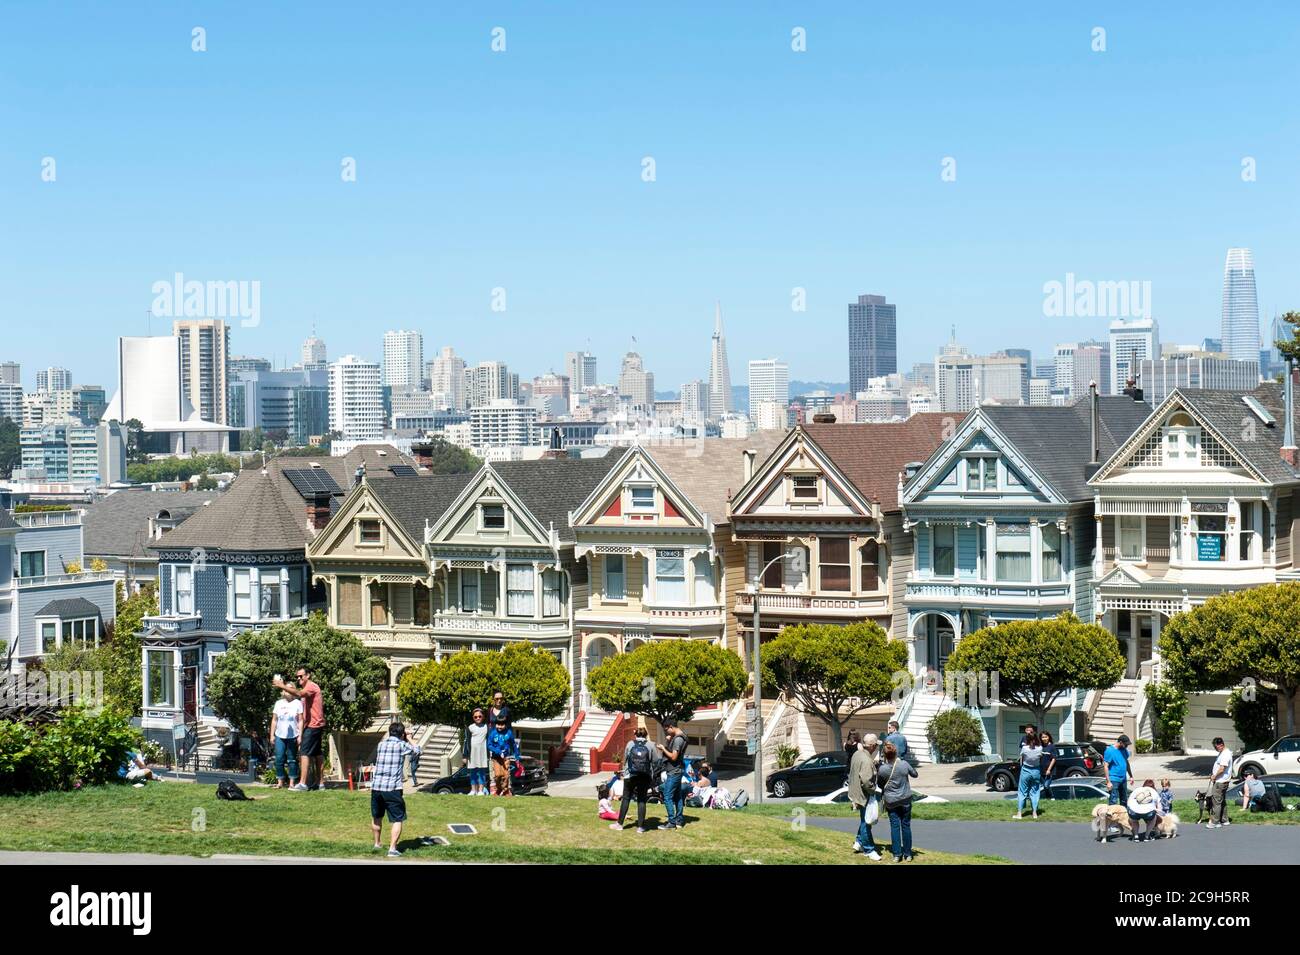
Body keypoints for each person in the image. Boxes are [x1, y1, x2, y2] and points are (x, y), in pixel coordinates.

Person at [370, 722, 419, 857]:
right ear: (401, 733)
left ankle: (377, 843)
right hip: (392, 788)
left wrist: (403, 735)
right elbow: (417, 750)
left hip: (376, 787)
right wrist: (408, 737)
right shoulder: (401, 745)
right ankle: (392, 849)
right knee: (397, 819)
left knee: (376, 817)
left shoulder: (381, 744)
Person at [273, 667, 326, 791]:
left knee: (304, 753)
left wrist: (282, 686)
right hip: (315, 725)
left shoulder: (311, 686)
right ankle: (321, 783)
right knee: (317, 754)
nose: (298, 678)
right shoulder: (306, 688)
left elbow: (299, 694)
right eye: (297, 676)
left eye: (301, 676)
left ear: (308, 675)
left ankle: (302, 784)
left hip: (313, 725)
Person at [878, 742, 918, 863]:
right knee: (906, 826)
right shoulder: (904, 764)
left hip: (891, 801)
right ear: (895, 753)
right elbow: (915, 774)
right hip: (905, 799)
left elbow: (880, 785)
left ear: (885, 755)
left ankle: (897, 855)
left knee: (895, 827)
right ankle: (908, 854)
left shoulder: (882, 769)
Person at [847, 732, 883, 861]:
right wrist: (874, 791)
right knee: (867, 822)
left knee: (864, 820)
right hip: (864, 795)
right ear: (872, 746)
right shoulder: (867, 760)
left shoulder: (857, 754)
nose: (877, 747)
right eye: (876, 745)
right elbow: (867, 782)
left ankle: (858, 842)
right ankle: (869, 849)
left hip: (855, 792)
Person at [611, 726, 654, 833]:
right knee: (641, 800)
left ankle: (620, 824)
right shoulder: (650, 745)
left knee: (626, 798)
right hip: (644, 776)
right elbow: (656, 760)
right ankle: (640, 827)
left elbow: (625, 760)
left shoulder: (630, 744)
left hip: (630, 776)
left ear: (636, 735)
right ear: (646, 735)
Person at [269, 685, 304, 789]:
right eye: (285, 688)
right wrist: (272, 735)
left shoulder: (298, 703)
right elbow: (274, 720)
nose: (287, 690)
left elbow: (301, 720)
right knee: (279, 759)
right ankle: (280, 782)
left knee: (292, 760)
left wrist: (300, 735)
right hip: (280, 736)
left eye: (289, 688)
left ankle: (292, 783)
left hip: (293, 736)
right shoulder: (278, 703)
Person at [657, 721, 689, 830]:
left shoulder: (678, 739)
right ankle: (679, 820)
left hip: (674, 771)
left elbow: (674, 757)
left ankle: (671, 822)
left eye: (666, 729)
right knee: (677, 796)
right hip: (678, 770)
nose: (666, 731)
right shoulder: (681, 737)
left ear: (671, 727)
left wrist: (663, 749)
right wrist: (670, 741)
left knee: (667, 796)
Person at [1014, 728, 1044, 819]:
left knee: (1022, 792)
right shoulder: (1040, 748)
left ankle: (1019, 814)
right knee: (1035, 792)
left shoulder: (1024, 748)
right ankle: (1034, 813)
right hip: (1036, 771)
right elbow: (1040, 759)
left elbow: (1021, 758)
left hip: (1026, 770)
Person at [486, 716, 520, 796]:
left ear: (506, 724)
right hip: (496, 758)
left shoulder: (509, 733)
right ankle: (498, 789)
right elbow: (489, 745)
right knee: (498, 775)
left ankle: (506, 790)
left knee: (506, 775)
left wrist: (517, 756)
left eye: (502, 724)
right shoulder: (493, 733)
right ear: (495, 724)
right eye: (498, 724)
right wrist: (498, 751)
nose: (500, 726)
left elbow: (513, 745)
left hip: (506, 757)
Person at [463, 707, 491, 796]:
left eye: (479, 716)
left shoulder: (486, 727)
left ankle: (481, 791)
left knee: (481, 773)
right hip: (472, 754)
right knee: (473, 773)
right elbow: (466, 741)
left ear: (483, 717)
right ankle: (473, 790)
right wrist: (465, 755)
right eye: (475, 717)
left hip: (482, 754)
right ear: (473, 718)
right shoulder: (470, 727)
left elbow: (490, 740)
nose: (478, 718)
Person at [1207, 736, 1233, 829]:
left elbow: (1222, 769)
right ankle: (1225, 820)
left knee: (1216, 802)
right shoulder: (1223, 752)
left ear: (1221, 745)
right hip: (1223, 781)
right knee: (1222, 801)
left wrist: (1214, 776)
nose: (1215, 748)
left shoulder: (1225, 754)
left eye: (1216, 747)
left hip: (1220, 781)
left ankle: (1215, 822)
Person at [1102, 735, 1133, 806]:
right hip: (1114, 779)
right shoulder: (1110, 751)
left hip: (1123, 779)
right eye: (1126, 744)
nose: (1127, 746)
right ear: (1121, 742)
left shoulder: (1124, 750)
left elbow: (1126, 763)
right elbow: (1105, 766)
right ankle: (1112, 816)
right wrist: (1108, 782)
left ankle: (1124, 816)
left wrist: (1131, 776)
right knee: (1113, 800)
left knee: (1124, 800)